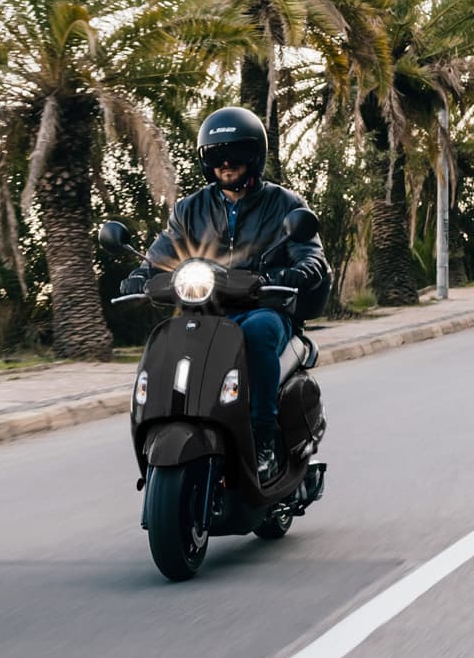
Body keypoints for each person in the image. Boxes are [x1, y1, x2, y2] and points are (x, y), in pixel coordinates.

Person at [125, 107, 329, 478]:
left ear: (255, 156)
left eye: (236, 154)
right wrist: (140, 274)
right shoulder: (189, 209)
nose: (226, 164)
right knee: (170, 338)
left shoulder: (285, 204)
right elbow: (161, 253)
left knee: (256, 333)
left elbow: (312, 256)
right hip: (207, 311)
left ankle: (263, 440)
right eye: (217, 155)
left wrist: (296, 272)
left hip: (265, 307)